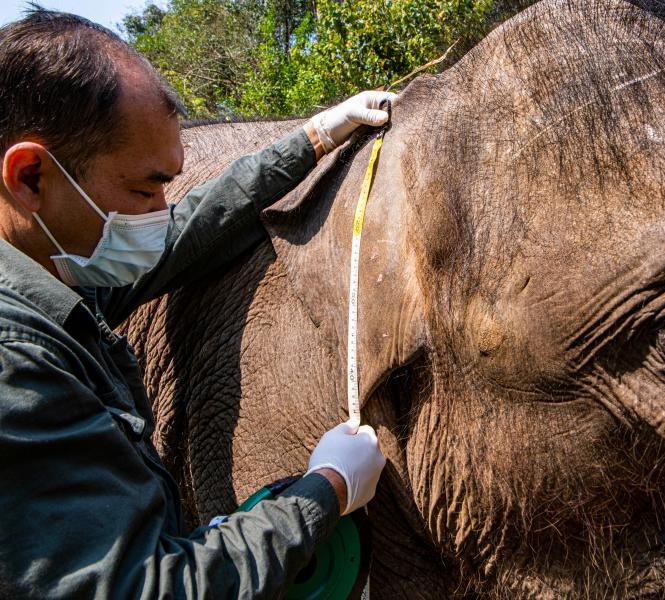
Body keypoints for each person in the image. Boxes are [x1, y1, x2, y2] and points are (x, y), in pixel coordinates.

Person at [0, 9, 391, 599]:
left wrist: (315, 138)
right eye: (143, 189)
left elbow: (191, 229)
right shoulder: (16, 362)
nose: (161, 210)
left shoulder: (54, 266)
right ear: (29, 176)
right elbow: (143, 587)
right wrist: (326, 490)